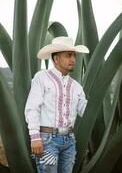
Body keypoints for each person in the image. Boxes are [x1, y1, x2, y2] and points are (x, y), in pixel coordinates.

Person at [25, 36, 89, 173]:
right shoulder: (41, 78)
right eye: (68, 55)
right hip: (48, 140)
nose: (73, 60)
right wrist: (35, 137)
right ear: (56, 59)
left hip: (69, 141)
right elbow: (32, 108)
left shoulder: (76, 87)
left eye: (74, 56)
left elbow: (85, 111)